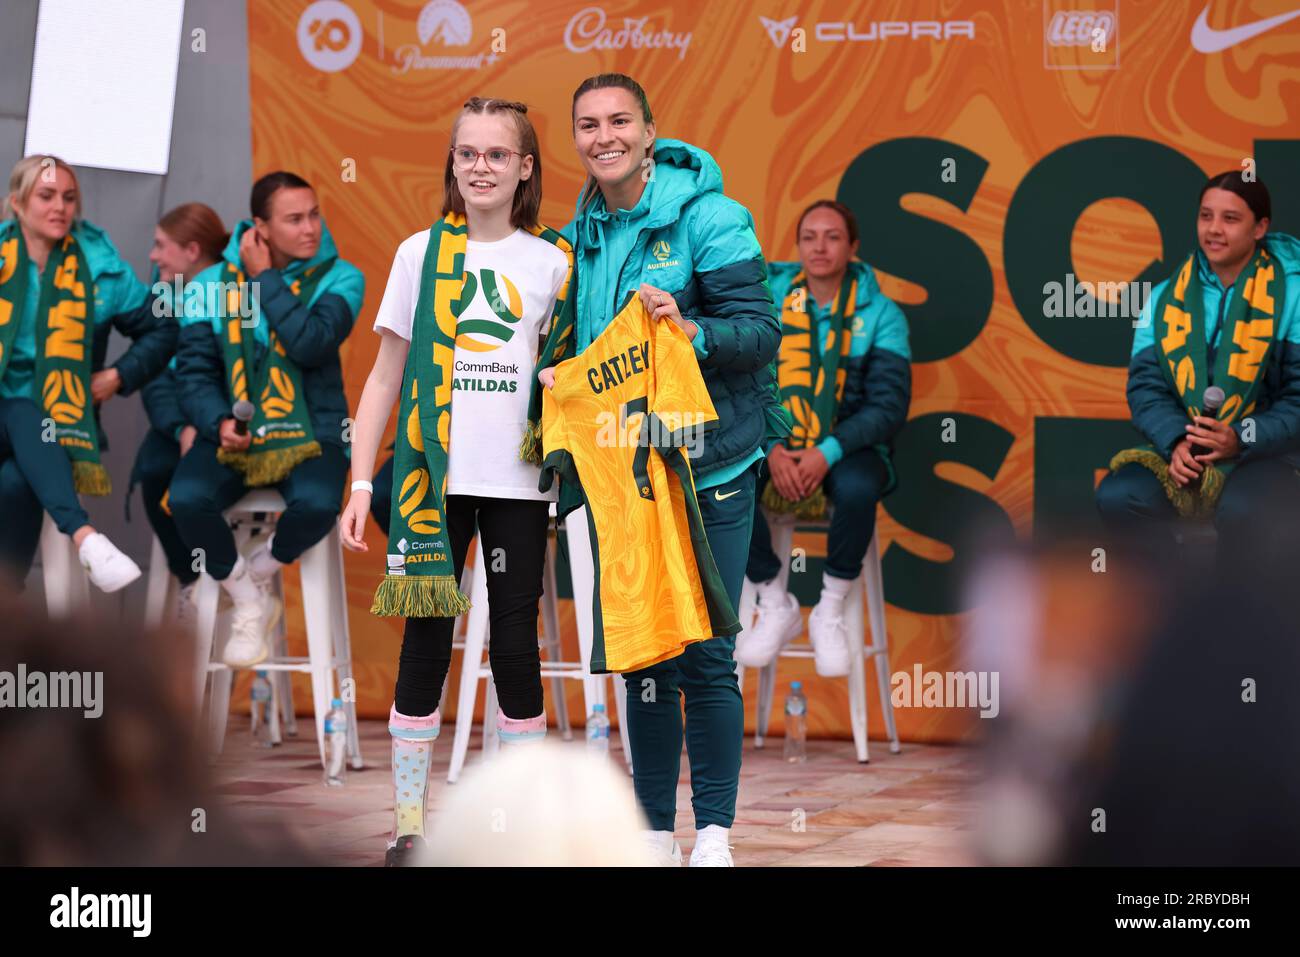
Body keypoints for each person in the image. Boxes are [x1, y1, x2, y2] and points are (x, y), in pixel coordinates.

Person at [543, 73, 787, 867]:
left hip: (711, 464)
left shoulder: (712, 218)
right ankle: (651, 832)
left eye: (619, 121)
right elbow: (586, 347)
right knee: (645, 649)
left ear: (650, 133)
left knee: (707, 651)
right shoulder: (578, 231)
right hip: (624, 476)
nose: (603, 136)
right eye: (587, 124)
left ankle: (713, 833)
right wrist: (560, 373)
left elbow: (760, 331)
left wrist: (692, 331)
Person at [340, 97, 571, 866]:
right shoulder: (418, 253)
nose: (480, 166)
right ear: (452, 163)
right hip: (428, 486)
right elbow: (382, 379)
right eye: (467, 153)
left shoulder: (552, 263)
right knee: (425, 645)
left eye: (497, 154)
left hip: (516, 483)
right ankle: (409, 826)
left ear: (525, 168)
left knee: (514, 644)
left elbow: (565, 384)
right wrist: (361, 486)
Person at [168, 172, 364, 665]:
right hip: (237, 439)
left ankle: (256, 569)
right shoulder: (208, 286)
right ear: (260, 226)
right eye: (294, 219)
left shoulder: (343, 278)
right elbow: (192, 373)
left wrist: (264, 279)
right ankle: (252, 600)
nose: (310, 228)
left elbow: (311, 342)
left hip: (313, 435)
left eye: (314, 214)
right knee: (187, 498)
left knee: (320, 504)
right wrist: (218, 423)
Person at [737, 200, 911, 676]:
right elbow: (744, 382)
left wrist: (825, 451)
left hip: (849, 448)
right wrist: (772, 448)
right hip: (772, 440)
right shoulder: (768, 298)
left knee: (858, 488)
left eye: (832, 236)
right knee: (723, 479)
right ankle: (775, 601)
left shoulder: (882, 315)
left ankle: (830, 607)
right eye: (809, 235)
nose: (819, 246)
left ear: (853, 247)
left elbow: (887, 407)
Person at [1096, 173, 1300, 559]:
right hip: (1188, 448)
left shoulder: (1293, 293)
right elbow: (1146, 388)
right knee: (1120, 496)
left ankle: (1234, 616)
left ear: (1261, 227)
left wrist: (1241, 436)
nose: (1214, 230)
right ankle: (1172, 609)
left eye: (1230, 219)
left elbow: (1297, 397)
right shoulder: (1163, 297)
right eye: (1206, 216)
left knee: (1245, 511)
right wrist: (1176, 441)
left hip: (1267, 453)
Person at [0, 154, 174, 592]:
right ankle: (86, 536)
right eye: (46, 195)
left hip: (52, 429)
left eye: (69, 197)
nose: (59, 206)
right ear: (18, 204)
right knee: (20, 409)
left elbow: (163, 326)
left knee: (15, 482)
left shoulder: (100, 270)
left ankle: (6, 606)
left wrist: (117, 375)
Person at [128, 203, 229, 628]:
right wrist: (179, 426)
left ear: (192, 250)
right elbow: (155, 376)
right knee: (154, 471)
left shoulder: (232, 292)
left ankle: (232, 573)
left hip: (223, 421)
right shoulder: (165, 295)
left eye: (160, 247)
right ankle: (191, 579)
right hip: (179, 420)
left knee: (198, 484)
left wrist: (207, 425)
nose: (153, 256)